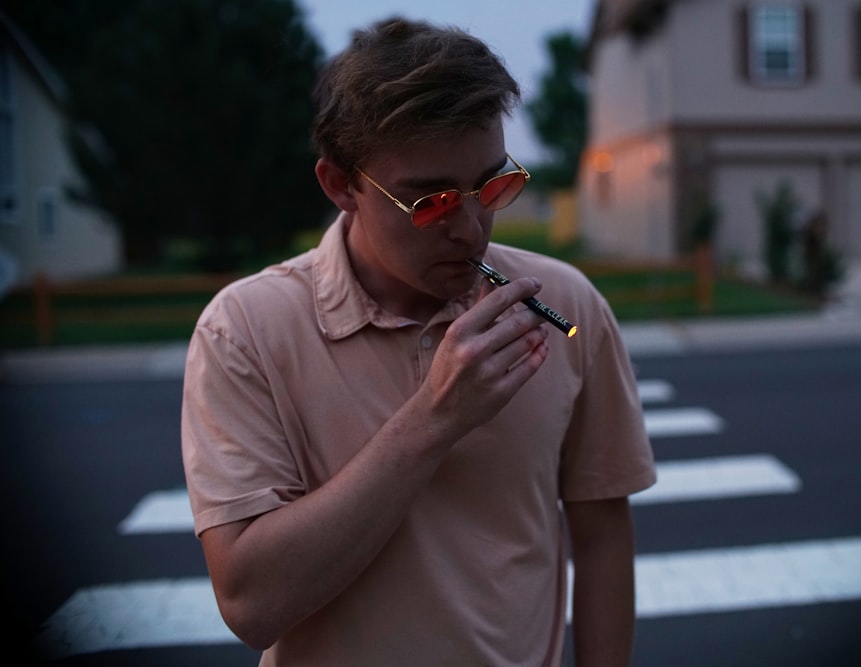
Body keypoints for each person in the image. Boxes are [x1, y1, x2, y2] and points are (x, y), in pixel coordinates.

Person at [181, 16, 656, 666]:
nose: (471, 228)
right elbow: (252, 604)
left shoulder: (564, 303)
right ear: (340, 185)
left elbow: (601, 536)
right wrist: (437, 417)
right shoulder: (243, 330)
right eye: (430, 201)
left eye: (492, 186)